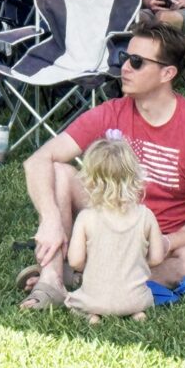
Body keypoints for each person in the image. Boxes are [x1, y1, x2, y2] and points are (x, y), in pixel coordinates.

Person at [18, 22, 185, 309]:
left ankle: (89, 277)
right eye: (124, 58)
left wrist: (165, 243)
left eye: (137, 62)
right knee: (58, 172)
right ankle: (52, 279)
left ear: (168, 73)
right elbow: (38, 160)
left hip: (158, 238)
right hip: (108, 220)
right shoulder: (112, 111)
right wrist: (51, 221)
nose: (125, 68)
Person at [60, 138, 165, 324]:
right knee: (139, 301)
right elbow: (157, 258)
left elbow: (76, 261)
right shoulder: (146, 215)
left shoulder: (86, 217)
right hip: (137, 299)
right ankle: (137, 314)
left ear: (91, 180)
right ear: (134, 176)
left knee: (70, 300)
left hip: (95, 299)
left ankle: (92, 316)